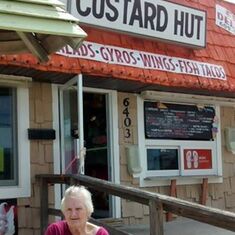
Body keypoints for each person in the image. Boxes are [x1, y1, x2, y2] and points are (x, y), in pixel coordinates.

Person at [44, 186, 109, 235]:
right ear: (64, 212)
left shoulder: (100, 233)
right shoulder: (55, 231)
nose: (73, 214)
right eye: (69, 209)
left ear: (88, 211)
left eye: (78, 209)